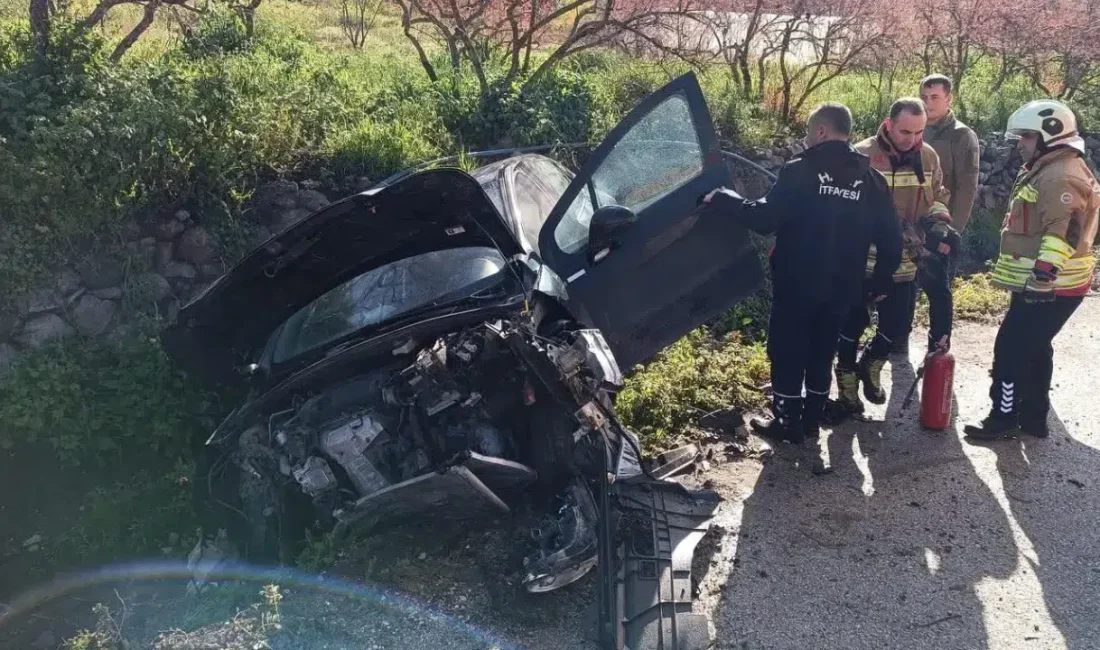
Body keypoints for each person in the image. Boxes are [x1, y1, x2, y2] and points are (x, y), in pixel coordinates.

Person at [702, 102, 903, 443]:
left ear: (821, 131)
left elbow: (764, 219)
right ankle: (811, 420)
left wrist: (723, 198)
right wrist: (880, 281)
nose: (807, 139)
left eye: (810, 133)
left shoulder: (800, 170)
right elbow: (891, 239)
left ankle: (786, 423)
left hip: (798, 282)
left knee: (787, 351)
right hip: (844, 287)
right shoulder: (871, 179)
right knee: (822, 351)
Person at [963, 100, 1099, 440]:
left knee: (1011, 349)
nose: (1020, 143)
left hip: (1049, 286)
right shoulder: (1052, 167)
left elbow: (1065, 231)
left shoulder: (1060, 175)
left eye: (1026, 136)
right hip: (1051, 284)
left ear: (1048, 136)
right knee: (1037, 347)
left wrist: (1043, 276)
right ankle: (1034, 417)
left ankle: (1003, 417)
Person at [833, 98, 960, 419]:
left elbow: (938, 195)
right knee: (851, 325)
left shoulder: (927, 156)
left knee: (896, 324)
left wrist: (939, 223)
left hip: (905, 261)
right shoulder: (860, 156)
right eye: (905, 132)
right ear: (888, 125)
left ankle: (872, 362)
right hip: (861, 262)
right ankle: (846, 385)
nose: (912, 139)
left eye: (919, 132)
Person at [890, 75, 981, 355]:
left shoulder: (961, 135)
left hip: (938, 224)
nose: (928, 103)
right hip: (908, 228)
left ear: (949, 99)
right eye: (925, 97)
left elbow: (966, 188)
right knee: (905, 284)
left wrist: (951, 232)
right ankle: (898, 341)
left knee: (938, 289)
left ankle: (938, 347)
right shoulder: (915, 128)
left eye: (935, 97)